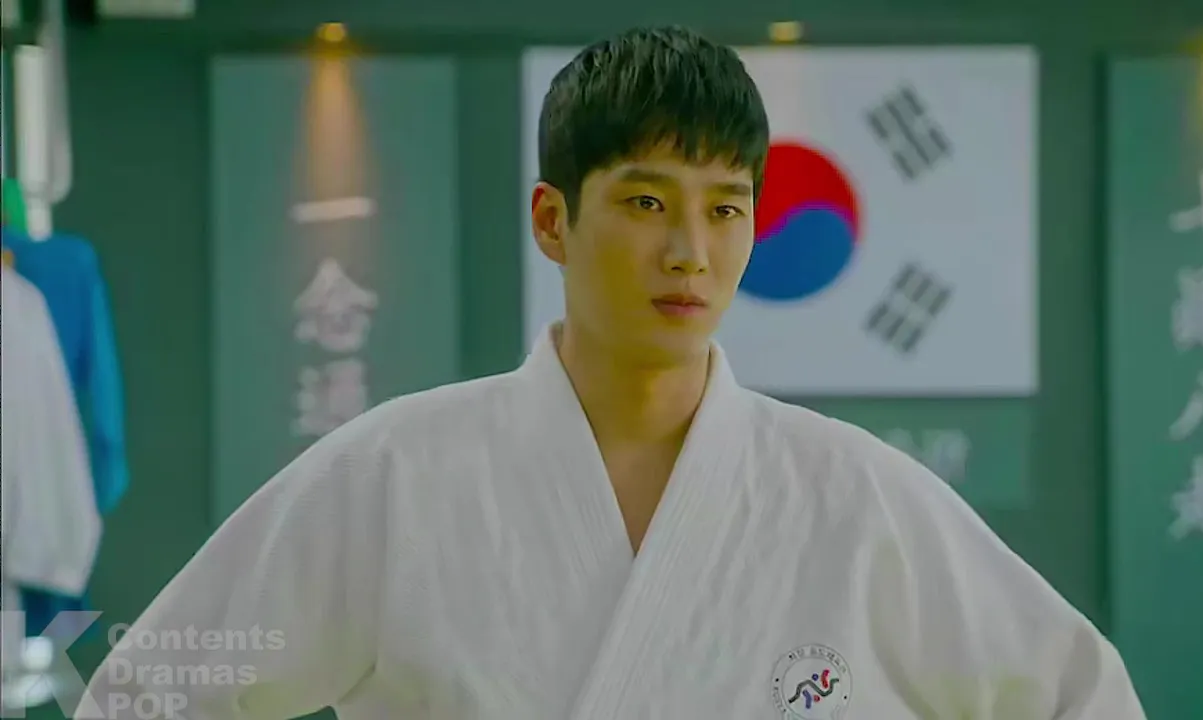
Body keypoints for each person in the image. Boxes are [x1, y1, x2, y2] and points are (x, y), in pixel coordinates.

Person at [76, 25, 1146, 719]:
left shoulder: (850, 493)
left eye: (725, 208)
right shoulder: (397, 475)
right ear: (553, 220)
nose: (690, 250)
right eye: (644, 202)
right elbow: (144, 692)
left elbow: (1080, 695)